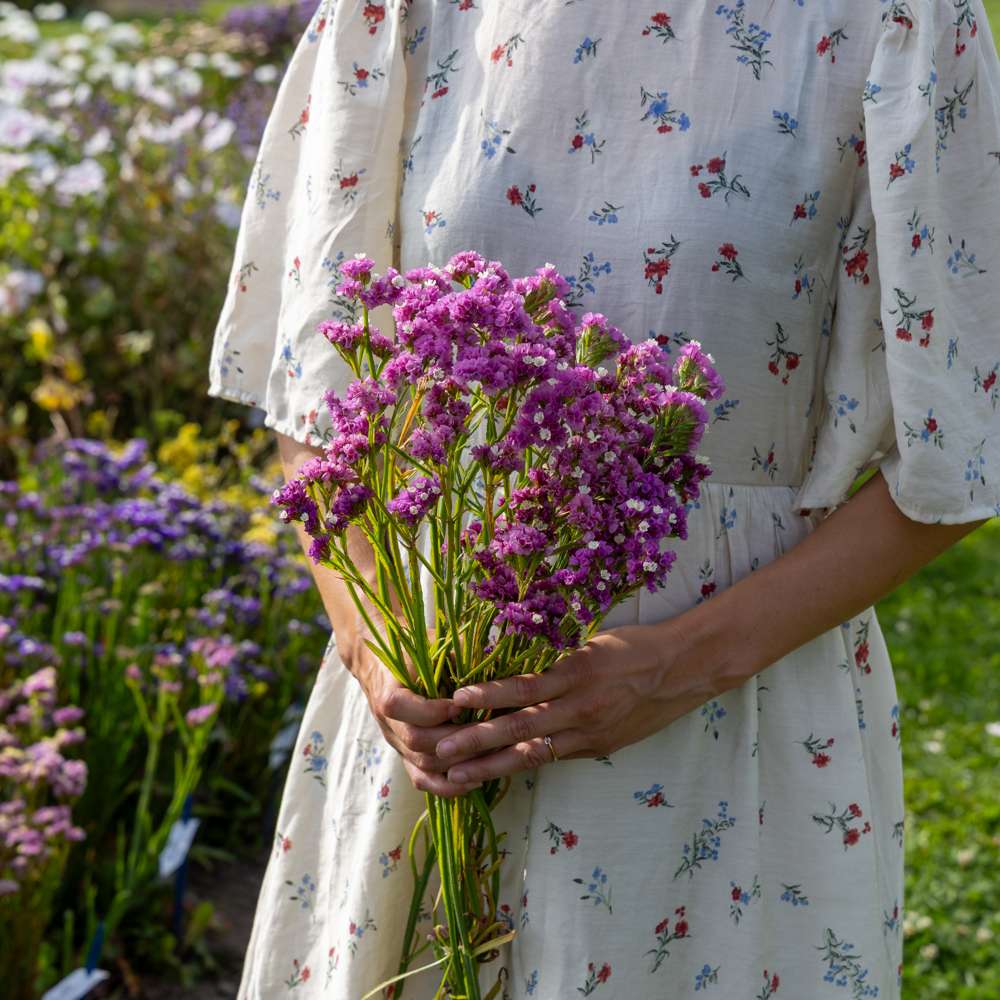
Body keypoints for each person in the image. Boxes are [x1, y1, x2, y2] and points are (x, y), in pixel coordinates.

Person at [207, 1, 1000, 996]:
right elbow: (315, 394)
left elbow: (961, 454)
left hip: (724, 730)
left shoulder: (898, 20)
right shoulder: (402, 14)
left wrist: (675, 665)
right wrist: (382, 660)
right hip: (432, 719)